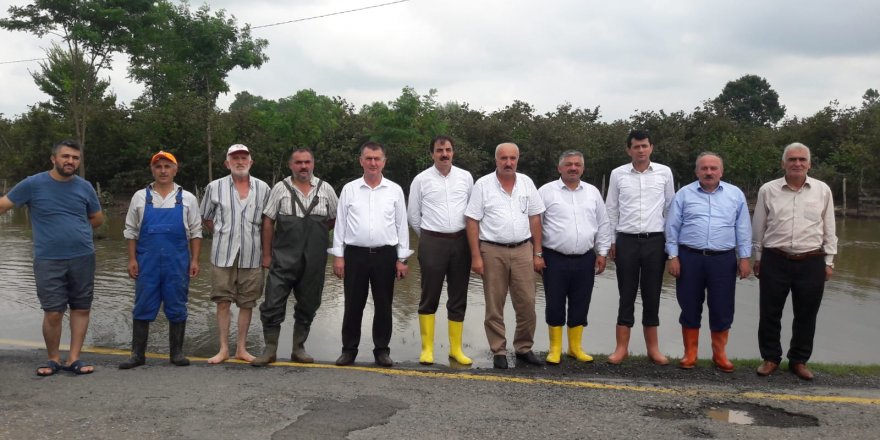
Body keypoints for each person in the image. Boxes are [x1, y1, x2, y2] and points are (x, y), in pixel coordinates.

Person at [0, 140, 103, 376]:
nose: (70, 161)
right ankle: (53, 358)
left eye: (75, 158)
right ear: (54, 159)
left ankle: (74, 358)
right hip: (48, 259)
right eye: (66, 156)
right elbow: (4, 205)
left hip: (83, 256)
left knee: (81, 308)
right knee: (53, 311)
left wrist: (75, 228)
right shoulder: (33, 184)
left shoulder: (85, 187)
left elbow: (97, 218)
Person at [752, 143, 837, 380]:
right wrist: (758, 258)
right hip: (775, 258)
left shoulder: (822, 191)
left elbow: (829, 228)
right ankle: (770, 358)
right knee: (769, 312)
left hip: (811, 260)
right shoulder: (768, 190)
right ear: (783, 164)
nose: (797, 164)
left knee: (807, 313)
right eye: (792, 159)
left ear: (809, 164)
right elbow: (759, 227)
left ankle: (799, 360)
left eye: (801, 159)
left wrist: (829, 261)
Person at [665, 152, 751, 372]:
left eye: (713, 168)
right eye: (704, 168)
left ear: (721, 171)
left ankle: (719, 354)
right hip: (689, 257)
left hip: (723, 260)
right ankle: (690, 353)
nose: (709, 172)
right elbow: (672, 227)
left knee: (722, 307)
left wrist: (744, 257)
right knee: (689, 305)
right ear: (697, 171)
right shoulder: (684, 194)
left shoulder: (735, 194)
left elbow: (743, 228)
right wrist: (673, 256)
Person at [252, 148, 338, 366]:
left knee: (309, 304)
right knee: (272, 303)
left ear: (313, 164)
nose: (303, 166)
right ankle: (269, 349)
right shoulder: (280, 189)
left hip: (314, 261)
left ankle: (298, 349)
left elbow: (336, 220)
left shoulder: (326, 189)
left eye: (307, 162)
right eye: (298, 162)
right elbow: (269, 221)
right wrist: (267, 255)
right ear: (291, 165)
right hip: (283, 258)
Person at [330, 141, 412, 367]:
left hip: (385, 255)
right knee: (353, 305)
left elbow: (401, 226)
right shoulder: (349, 189)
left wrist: (402, 258)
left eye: (377, 159)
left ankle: (382, 351)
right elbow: (341, 226)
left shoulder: (394, 190)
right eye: (368, 158)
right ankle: (349, 350)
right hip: (355, 255)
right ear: (361, 161)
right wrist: (338, 256)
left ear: (384, 162)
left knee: (384, 305)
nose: (373, 163)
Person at [465, 142, 546, 369]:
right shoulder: (482, 185)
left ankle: (524, 348)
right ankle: (498, 350)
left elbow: (535, 219)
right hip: (492, 250)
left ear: (518, 159)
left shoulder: (527, 183)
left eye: (512, 158)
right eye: (503, 158)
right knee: (494, 304)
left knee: (527, 303)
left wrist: (537, 252)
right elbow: (472, 221)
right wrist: (476, 257)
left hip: (523, 249)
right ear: (496, 160)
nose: (508, 162)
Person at [120, 151, 202, 369]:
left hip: (177, 263)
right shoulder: (139, 197)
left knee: (177, 306)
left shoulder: (188, 198)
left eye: (168, 166)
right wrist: (131, 259)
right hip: (147, 262)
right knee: (143, 306)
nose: (163, 170)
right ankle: (137, 355)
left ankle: (176, 353)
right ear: (152, 170)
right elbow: (130, 232)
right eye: (159, 166)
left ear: (175, 170)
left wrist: (194, 260)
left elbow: (195, 232)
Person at [604, 129, 673, 365]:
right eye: (636, 146)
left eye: (644, 146)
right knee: (627, 294)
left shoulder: (664, 173)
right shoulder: (618, 174)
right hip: (626, 240)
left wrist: (671, 246)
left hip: (656, 240)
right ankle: (621, 348)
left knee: (652, 294)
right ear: (629, 150)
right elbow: (611, 209)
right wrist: (611, 241)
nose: (641, 150)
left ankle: (653, 349)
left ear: (651, 147)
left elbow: (670, 209)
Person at [538, 150, 612, 364]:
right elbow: (536, 225)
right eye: (568, 164)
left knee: (581, 302)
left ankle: (575, 347)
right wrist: (538, 254)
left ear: (583, 168)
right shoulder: (546, 191)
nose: (573, 168)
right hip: (554, 257)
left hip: (585, 258)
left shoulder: (592, 193)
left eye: (577, 164)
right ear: (559, 168)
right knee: (555, 302)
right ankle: (554, 348)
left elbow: (603, 224)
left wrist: (602, 252)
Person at [200, 144, 271, 364]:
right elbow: (206, 217)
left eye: (244, 157)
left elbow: (268, 222)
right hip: (223, 254)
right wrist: (224, 233)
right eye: (235, 158)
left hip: (252, 254)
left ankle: (241, 348)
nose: (239, 161)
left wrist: (267, 254)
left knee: (247, 303)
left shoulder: (264, 188)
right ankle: (223, 348)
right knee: (222, 301)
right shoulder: (214, 187)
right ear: (227, 163)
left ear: (251, 162)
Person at [408, 135, 475, 365]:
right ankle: (427, 349)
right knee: (429, 295)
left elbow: (472, 211)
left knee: (458, 296)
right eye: (439, 150)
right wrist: (429, 237)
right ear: (432, 154)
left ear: (453, 152)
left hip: (461, 242)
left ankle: (455, 349)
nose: (444, 154)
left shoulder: (466, 177)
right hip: (432, 241)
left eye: (448, 150)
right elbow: (413, 216)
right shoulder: (421, 180)